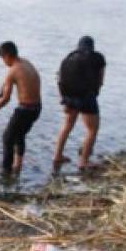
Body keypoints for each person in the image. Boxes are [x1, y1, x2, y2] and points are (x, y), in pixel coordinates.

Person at [52, 36, 106, 172]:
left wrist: (63, 99)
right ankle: (84, 162)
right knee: (92, 129)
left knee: (67, 126)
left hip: (69, 97)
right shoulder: (98, 58)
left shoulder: (69, 58)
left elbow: (59, 78)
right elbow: (101, 80)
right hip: (87, 97)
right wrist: (95, 91)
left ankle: (57, 156)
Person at [0, 41, 42, 177]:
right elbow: (7, 85)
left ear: (7, 56)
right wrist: (2, 88)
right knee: (19, 134)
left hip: (25, 109)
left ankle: (6, 172)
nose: (3, 62)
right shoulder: (25, 63)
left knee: (7, 137)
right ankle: (18, 166)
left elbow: (6, 100)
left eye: (2, 58)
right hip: (37, 108)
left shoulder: (13, 71)